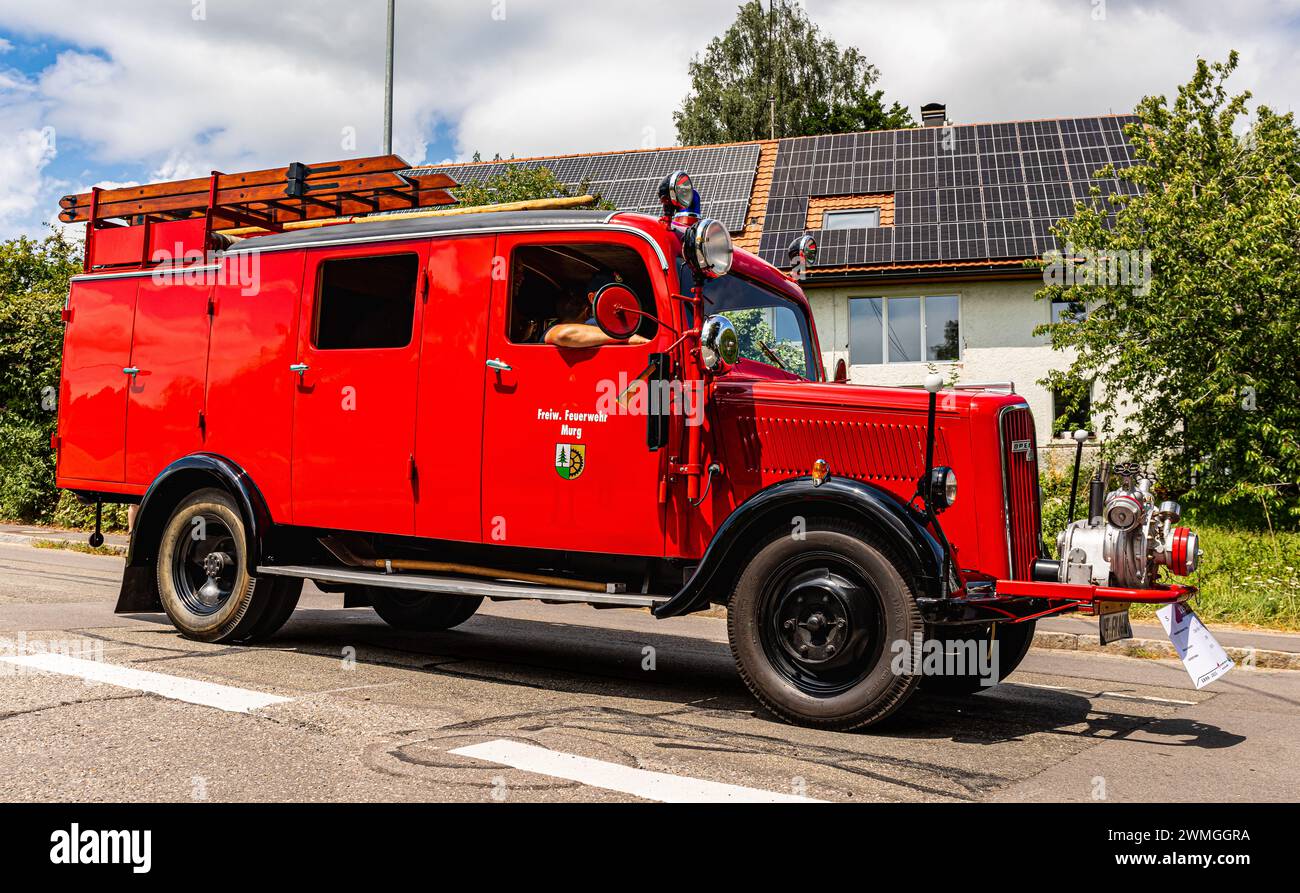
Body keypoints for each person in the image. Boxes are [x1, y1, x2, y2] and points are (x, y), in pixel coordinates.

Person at [544, 273, 649, 349]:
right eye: (612, 294)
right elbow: (564, 335)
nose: (619, 300)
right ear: (593, 298)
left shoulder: (627, 326)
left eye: (623, 294)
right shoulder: (591, 326)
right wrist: (624, 338)